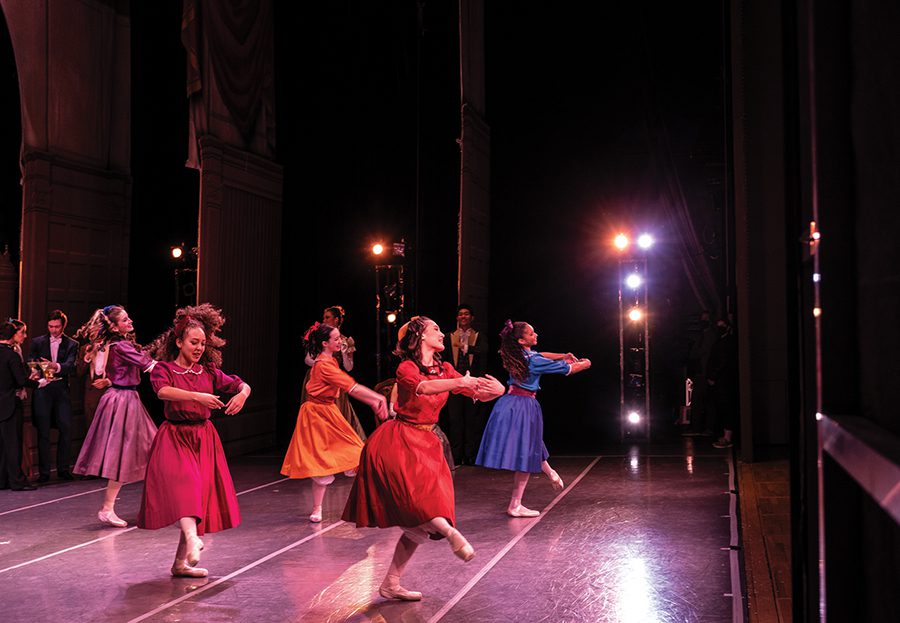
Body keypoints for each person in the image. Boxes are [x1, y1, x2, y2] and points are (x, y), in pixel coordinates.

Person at [343, 316, 504, 601]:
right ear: (418, 337)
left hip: (427, 442)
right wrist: (458, 380)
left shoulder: (444, 367)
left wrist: (496, 392)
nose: (442, 333)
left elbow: (471, 391)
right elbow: (425, 388)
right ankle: (452, 535)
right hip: (398, 441)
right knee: (420, 503)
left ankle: (391, 583)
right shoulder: (407, 367)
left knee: (419, 526)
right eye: (435, 329)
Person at [138, 304, 251, 578]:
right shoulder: (163, 369)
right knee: (186, 487)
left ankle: (179, 564)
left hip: (203, 437)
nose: (199, 347)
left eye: (203, 343)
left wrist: (242, 395)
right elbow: (164, 392)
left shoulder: (209, 371)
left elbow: (242, 385)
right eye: (193, 342)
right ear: (179, 342)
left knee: (196, 497)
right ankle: (192, 540)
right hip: (174, 436)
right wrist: (198, 397)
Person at [476, 321, 591, 517]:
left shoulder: (517, 354)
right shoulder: (532, 360)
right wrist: (586, 363)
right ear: (522, 340)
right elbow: (568, 370)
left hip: (509, 403)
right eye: (531, 333)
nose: (535, 334)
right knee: (526, 453)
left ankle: (550, 473)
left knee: (531, 445)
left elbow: (541, 355)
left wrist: (563, 355)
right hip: (523, 406)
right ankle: (515, 505)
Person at [282, 322, 387, 523]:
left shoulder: (331, 362)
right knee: (321, 463)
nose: (340, 341)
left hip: (329, 411)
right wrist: (377, 398)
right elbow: (351, 386)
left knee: (357, 452)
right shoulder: (323, 365)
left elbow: (348, 384)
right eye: (336, 339)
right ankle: (317, 508)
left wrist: (375, 399)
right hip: (315, 415)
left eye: (340, 338)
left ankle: (371, 501)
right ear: (325, 343)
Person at [73, 306, 158, 527]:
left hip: (124, 398)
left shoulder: (117, 345)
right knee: (126, 454)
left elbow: (123, 371)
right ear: (114, 326)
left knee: (151, 448)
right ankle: (108, 507)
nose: (130, 321)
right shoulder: (121, 345)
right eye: (124, 320)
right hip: (123, 402)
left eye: (129, 317)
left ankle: (125, 505)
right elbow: (148, 365)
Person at [301, 305, 366, 440]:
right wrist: (324, 366)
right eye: (324, 317)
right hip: (318, 378)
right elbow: (307, 359)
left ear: (336, 320)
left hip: (335, 381)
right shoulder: (319, 338)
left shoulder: (346, 340)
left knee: (338, 414)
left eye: (327, 317)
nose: (324, 320)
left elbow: (349, 368)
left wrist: (343, 353)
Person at [28, 309, 79, 482]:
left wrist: (54, 366)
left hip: (61, 389)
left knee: (65, 429)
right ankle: (44, 473)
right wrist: (35, 372)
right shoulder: (37, 342)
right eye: (50, 326)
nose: (54, 330)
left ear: (63, 325)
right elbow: (31, 362)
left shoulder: (72, 344)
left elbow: (71, 366)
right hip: (43, 389)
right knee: (43, 431)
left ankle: (63, 469)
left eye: (57, 327)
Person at [0, 320, 46, 491]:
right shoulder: (10, 355)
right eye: (22, 333)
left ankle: (2, 480)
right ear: (12, 335)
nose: (25, 336)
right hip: (10, 404)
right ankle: (17, 482)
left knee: (3, 446)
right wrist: (39, 383)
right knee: (13, 445)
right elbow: (20, 381)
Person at [442, 304, 489, 465]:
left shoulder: (479, 336)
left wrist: (467, 348)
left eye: (467, 314)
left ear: (472, 318)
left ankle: (470, 455)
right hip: (455, 384)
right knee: (455, 420)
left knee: (471, 420)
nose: (463, 317)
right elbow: (445, 360)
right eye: (460, 314)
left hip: (472, 384)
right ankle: (455, 455)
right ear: (457, 318)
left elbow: (483, 351)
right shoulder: (449, 337)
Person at [708, 317, 738, 448]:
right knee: (723, 407)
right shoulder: (722, 341)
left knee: (726, 407)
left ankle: (728, 437)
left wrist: (713, 376)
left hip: (723, 380)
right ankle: (726, 435)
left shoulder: (725, 343)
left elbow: (722, 361)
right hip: (722, 379)